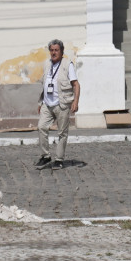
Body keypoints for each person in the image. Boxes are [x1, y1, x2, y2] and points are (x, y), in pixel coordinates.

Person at [36, 40, 79, 169]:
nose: (54, 53)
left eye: (56, 50)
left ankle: (59, 159)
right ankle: (45, 156)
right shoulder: (47, 64)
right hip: (47, 104)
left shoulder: (67, 64)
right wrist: (40, 102)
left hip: (62, 104)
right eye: (52, 50)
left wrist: (75, 101)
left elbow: (76, 84)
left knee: (62, 133)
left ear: (61, 51)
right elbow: (44, 85)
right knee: (41, 127)